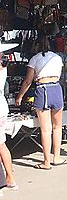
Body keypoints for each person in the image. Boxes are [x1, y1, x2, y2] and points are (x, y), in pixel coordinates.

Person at [16, 37, 67, 169]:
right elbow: (60, 74)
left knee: (45, 130)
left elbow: (28, 81)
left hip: (43, 90)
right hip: (56, 89)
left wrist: (20, 96)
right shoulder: (57, 58)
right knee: (57, 126)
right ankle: (56, 157)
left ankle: (46, 162)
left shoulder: (35, 59)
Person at [0, 44, 18, 189]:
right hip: (2, 107)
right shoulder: (3, 68)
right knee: (1, 145)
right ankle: (10, 177)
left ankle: (9, 178)